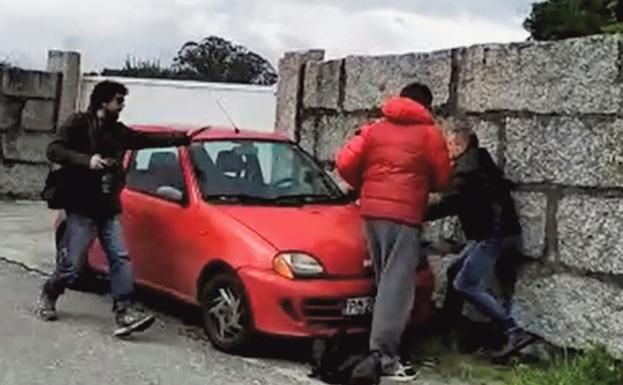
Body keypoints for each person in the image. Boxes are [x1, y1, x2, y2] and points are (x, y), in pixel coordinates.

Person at [36, 80, 206, 337]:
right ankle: (49, 294)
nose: (122, 105)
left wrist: (184, 138)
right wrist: (86, 160)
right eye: (118, 100)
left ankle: (123, 311)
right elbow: (54, 149)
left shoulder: (118, 131)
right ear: (104, 102)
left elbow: (145, 139)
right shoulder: (79, 123)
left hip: (107, 206)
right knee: (71, 265)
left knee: (120, 257)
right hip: (81, 206)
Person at [335, 83, 451, 383]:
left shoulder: (375, 128)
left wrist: (366, 183)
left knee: (382, 280)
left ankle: (373, 346)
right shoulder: (429, 133)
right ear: (427, 105)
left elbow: (345, 162)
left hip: (371, 213)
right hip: (405, 216)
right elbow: (442, 177)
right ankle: (384, 358)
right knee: (396, 289)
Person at [425, 118, 537, 359]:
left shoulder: (468, 171)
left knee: (465, 282)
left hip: (491, 235)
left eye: (447, 145)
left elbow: (450, 201)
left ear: (458, 144)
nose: (445, 151)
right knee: (455, 270)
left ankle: (513, 331)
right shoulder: (477, 161)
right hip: (492, 232)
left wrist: (416, 213)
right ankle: (451, 328)